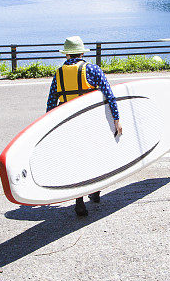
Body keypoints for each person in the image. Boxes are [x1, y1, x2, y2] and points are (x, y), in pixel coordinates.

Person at [46, 36, 123, 216]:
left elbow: (51, 104)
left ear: (66, 54)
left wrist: (50, 128)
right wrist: (117, 119)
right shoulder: (92, 69)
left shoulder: (58, 73)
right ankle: (95, 191)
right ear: (82, 52)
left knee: (76, 161)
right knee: (95, 156)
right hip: (90, 121)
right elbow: (109, 95)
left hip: (68, 123)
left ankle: (79, 201)